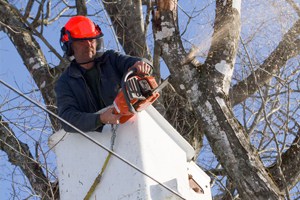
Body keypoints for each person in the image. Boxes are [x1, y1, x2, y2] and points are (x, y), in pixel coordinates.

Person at [55, 15, 152, 132]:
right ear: (70, 47)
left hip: (130, 125)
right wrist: (100, 119)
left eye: (91, 39)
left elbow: (137, 62)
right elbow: (68, 119)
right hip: (97, 141)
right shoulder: (66, 82)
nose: (88, 44)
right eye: (82, 41)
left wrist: (141, 65)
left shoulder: (111, 59)